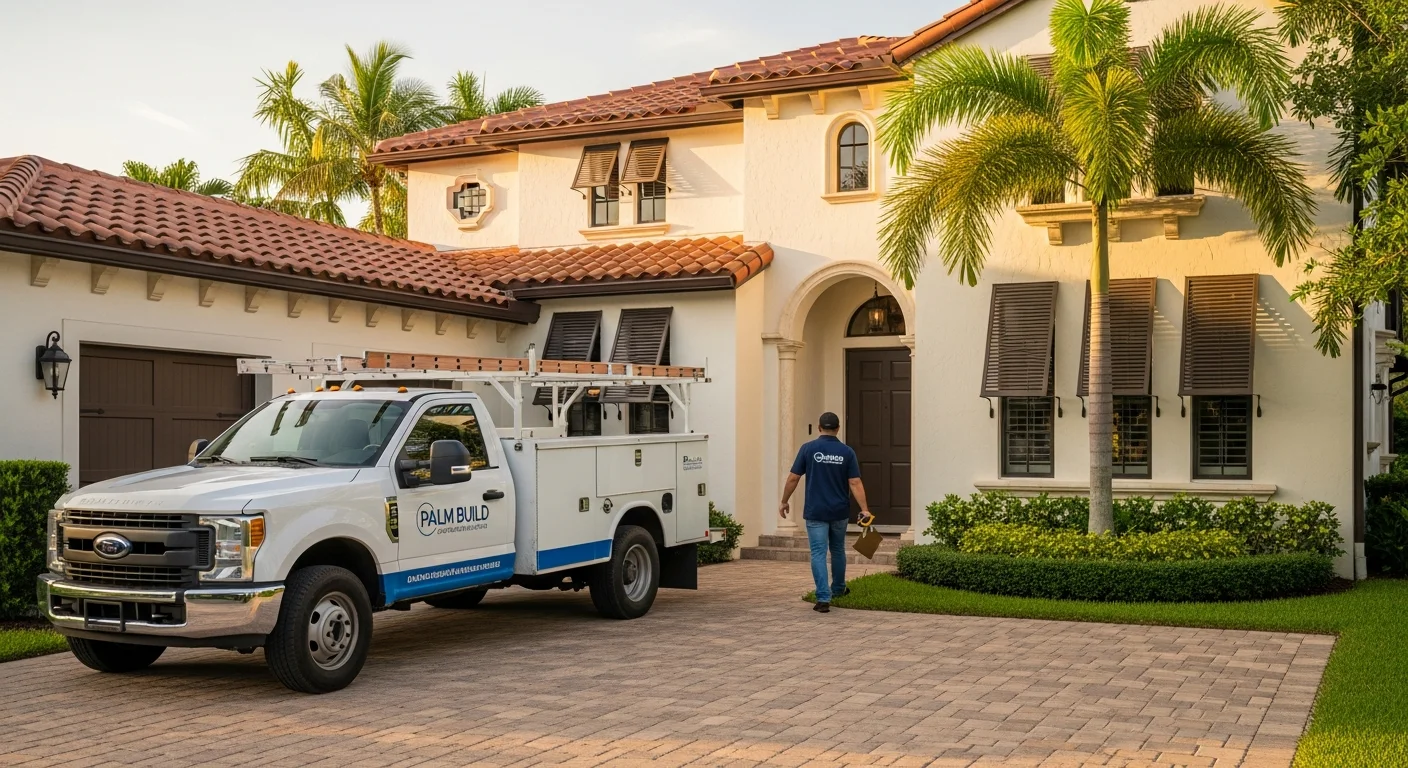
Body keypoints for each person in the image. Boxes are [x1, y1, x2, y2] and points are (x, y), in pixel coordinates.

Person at [779, 411, 872, 613]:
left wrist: (784, 501)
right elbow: (855, 482)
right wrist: (864, 509)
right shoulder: (847, 452)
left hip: (816, 511)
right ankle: (838, 588)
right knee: (837, 550)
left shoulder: (808, 449)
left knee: (819, 553)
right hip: (839, 511)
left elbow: (793, 478)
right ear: (838, 428)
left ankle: (823, 598)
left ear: (820, 428)